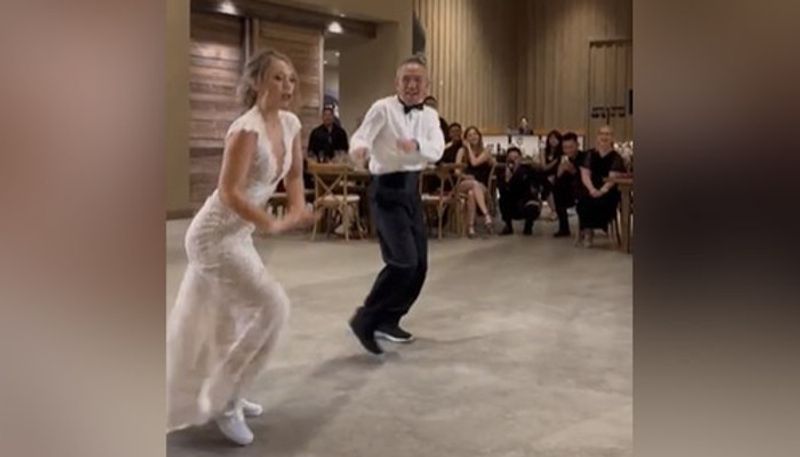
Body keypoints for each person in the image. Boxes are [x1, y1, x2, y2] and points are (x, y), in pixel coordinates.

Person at [166, 49, 317, 446]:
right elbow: (228, 192)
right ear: (256, 83)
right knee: (273, 307)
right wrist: (268, 221)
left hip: (238, 235)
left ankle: (228, 391)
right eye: (277, 78)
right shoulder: (245, 129)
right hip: (213, 236)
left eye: (290, 79)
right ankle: (225, 400)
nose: (287, 86)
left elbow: (297, 175)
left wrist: (298, 211)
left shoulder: (291, 123)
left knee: (226, 321)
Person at [348, 55, 445, 355]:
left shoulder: (429, 116)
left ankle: (389, 320)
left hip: (412, 190)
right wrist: (360, 150)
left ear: (426, 85)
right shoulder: (382, 108)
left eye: (418, 80)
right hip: (387, 191)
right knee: (403, 262)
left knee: (419, 267)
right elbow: (360, 137)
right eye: (407, 79)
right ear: (396, 83)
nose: (412, 85)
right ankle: (366, 319)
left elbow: (438, 149)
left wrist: (416, 147)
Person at [576, 125, 626, 247]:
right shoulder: (589, 154)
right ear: (597, 137)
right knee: (584, 201)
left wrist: (602, 191)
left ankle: (596, 227)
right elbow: (585, 175)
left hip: (608, 190)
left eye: (608, 134)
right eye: (602, 134)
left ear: (612, 137)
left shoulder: (616, 157)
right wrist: (592, 189)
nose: (604, 137)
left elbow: (613, 178)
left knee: (603, 201)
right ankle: (588, 233)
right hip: (590, 187)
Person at [455, 126, 496, 237]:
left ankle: (471, 227)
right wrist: (465, 176)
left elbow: (474, 162)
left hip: (482, 185)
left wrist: (468, 148)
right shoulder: (461, 151)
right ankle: (486, 215)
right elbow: (456, 171)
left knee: (471, 193)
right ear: (466, 138)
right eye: (469, 135)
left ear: (479, 136)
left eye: (475, 134)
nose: (473, 137)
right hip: (464, 182)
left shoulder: (486, 151)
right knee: (473, 184)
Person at [497, 146, 541, 235]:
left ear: (520, 159)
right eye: (510, 158)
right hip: (512, 203)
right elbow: (502, 191)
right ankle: (508, 226)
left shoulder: (528, 170)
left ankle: (528, 226)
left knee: (532, 205)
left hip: (526, 201)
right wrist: (507, 181)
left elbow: (535, 186)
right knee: (502, 200)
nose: (513, 161)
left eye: (516, 158)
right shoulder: (503, 172)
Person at [552, 132, 586, 237]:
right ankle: (563, 227)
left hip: (583, 188)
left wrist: (573, 171)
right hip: (567, 190)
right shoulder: (562, 158)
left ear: (577, 145)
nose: (568, 150)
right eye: (565, 147)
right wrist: (559, 172)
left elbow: (587, 178)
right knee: (556, 189)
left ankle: (584, 228)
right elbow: (557, 178)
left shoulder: (584, 157)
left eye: (571, 147)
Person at [538, 130, 563, 220]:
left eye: (555, 138)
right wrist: (556, 160)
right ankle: (554, 211)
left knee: (546, 184)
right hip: (544, 175)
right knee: (544, 181)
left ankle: (554, 211)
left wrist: (554, 176)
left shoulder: (562, 153)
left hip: (557, 175)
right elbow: (543, 167)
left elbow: (561, 168)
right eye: (551, 138)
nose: (553, 140)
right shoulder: (543, 151)